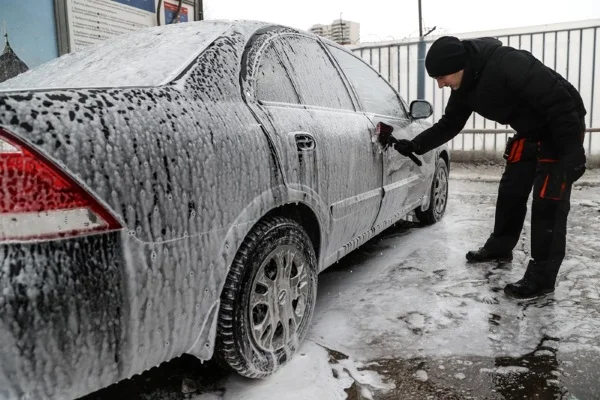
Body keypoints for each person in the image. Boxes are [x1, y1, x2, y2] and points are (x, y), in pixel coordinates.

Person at [393, 36, 587, 299]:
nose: (440, 85)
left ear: (459, 64)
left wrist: (572, 151)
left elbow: (560, 103)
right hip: (530, 130)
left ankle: (542, 279)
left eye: (442, 77)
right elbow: (450, 124)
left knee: (548, 203)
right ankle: (500, 247)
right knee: (511, 190)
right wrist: (415, 145)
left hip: (561, 124)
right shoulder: (464, 87)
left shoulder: (508, 63)